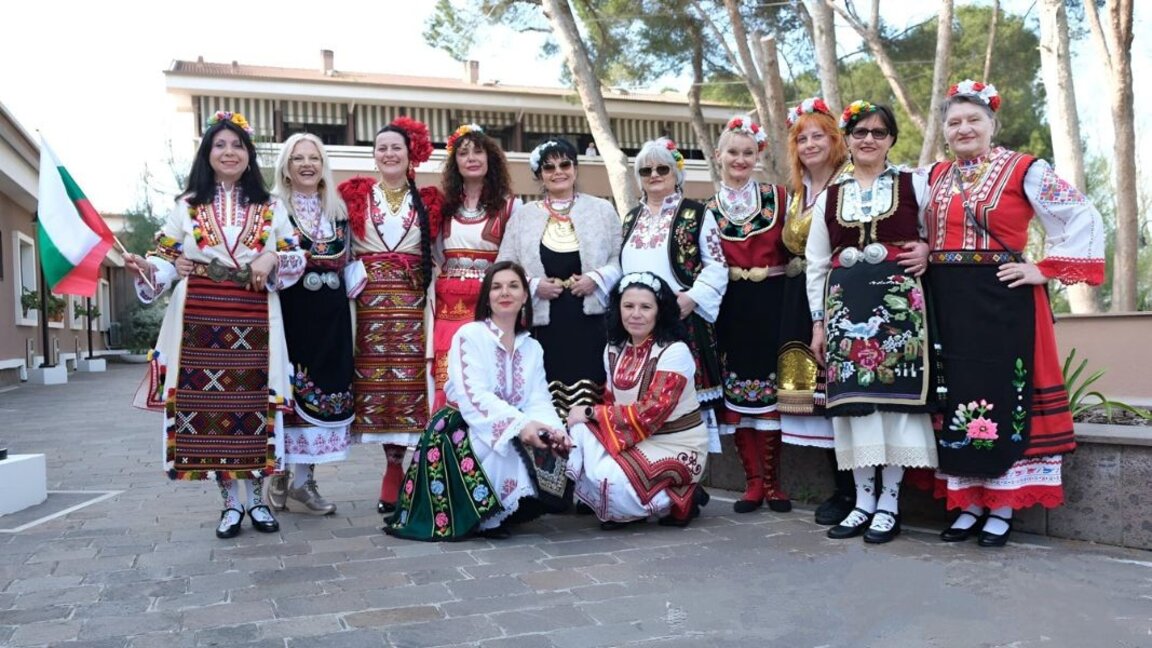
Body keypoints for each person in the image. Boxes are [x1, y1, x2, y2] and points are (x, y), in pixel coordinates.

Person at [925, 80, 1105, 547]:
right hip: (948, 301)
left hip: (1003, 298)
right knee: (956, 393)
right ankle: (968, 502)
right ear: (944, 130)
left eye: (973, 120)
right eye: (954, 121)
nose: (964, 128)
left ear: (992, 124)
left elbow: (1081, 214)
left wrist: (1042, 269)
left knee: (1004, 392)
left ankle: (1002, 506)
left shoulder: (1024, 168)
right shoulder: (933, 177)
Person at [125, 111, 306, 539]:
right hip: (200, 317)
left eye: (237, 145)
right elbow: (166, 259)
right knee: (210, 413)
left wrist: (272, 257)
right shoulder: (186, 206)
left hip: (256, 313)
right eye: (220, 145)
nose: (229, 152)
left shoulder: (271, 207)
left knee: (254, 406)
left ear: (248, 155)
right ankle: (229, 504)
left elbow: (297, 256)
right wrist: (146, 269)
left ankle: (258, 500)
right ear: (207, 154)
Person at [806, 101, 938, 544]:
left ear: (892, 139)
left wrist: (928, 251)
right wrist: (819, 323)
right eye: (860, 131)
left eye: (879, 133)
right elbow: (815, 264)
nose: (869, 139)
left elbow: (937, 235)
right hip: (845, 314)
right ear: (847, 137)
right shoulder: (829, 196)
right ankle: (863, 501)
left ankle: (889, 504)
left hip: (899, 312)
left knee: (894, 403)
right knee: (855, 407)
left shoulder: (914, 184)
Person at [386, 262, 574, 540]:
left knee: (555, 450)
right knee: (504, 447)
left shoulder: (532, 347)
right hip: (459, 427)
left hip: (510, 421)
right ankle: (485, 516)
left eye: (513, 286)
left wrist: (553, 430)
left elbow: (538, 398)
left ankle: (511, 507)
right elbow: (473, 395)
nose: (504, 293)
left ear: (525, 295)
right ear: (487, 296)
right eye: (496, 287)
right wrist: (521, 426)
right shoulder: (469, 335)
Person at [338, 117, 442, 516]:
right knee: (377, 385)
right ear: (374, 155)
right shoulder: (356, 195)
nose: (388, 153)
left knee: (414, 382)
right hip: (368, 302)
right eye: (381, 147)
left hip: (413, 301)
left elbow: (439, 250)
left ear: (410, 152)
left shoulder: (429, 199)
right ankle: (392, 466)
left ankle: (409, 468)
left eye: (395, 147)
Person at [263, 133, 362, 515]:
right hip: (293, 312)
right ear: (286, 168)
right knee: (291, 392)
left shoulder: (337, 210)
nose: (307, 164)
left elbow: (350, 257)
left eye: (314, 158)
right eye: (298, 158)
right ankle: (282, 476)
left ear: (323, 166)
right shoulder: (275, 209)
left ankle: (304, 481)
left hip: (333, 314)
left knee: (325, 393)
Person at [565, 272, 711, 529]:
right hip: (631, 436)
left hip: (673, 442)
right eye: (628, 306)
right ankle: (625, 502)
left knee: (609, 478)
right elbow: (610, 401)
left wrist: (591, 413)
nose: (635, 314)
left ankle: (679, 495)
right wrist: (590, 418)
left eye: (645, 307)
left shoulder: (674, 351)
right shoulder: (614, 348)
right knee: (576, 433)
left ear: (660, 311)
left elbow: (652, 411)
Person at [496, 138, 622, 417]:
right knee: (545, 395)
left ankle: (588, 455)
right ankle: (553, 454)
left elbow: (619, 258)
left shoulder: (602, 210)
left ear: (575, 169)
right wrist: (532, 285)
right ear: (539, 175)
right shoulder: (523, 216)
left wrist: (596, 279)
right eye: (549, 167)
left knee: (591, 394)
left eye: (565, 164)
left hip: (592, 321)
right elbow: (504, 265)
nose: (558, 172)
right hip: (542, 323)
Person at [705, 117, 793, 514]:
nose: (740, 159)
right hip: (730, 307)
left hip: (773, 302)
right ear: (717, 156)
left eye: (747, 152)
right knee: (739, 396)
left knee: (771, 394)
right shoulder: (706, 210)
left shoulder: (780, 198)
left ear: (758, 156)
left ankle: (774, 483)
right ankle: (752, 483)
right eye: (732, 152)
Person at [622, 137, 727, 453]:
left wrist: (692, 297)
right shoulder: (630, 218)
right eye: (645, 170)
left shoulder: (695, 213)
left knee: (683, 399)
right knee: (645, 398)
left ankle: (691, 474)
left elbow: (717, 265)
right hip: (639, 324)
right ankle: (651, 468)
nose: (654, 175)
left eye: (662, 168)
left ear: (676, 173)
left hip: (681, 319)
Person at [780, 98, 856, 524]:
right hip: (799, 297)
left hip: (842, 293)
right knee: (816, 398)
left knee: (844, 392)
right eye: (801, 138)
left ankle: (855, 491)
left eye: (818, 135)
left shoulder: (849, 182)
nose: (810, 144)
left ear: (835, 139)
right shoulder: (796, 192)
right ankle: (840, 487)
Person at [432, 124, 518, 409]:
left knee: (484, 375)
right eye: (464, 153)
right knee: (447, 375)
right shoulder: (443, 206)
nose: (471, 158)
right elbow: (435, 253)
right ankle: (445, 448)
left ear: (489, 158)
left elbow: (514, 256)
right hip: (448, 304)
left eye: (478, 151)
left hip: (489, 302)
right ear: (454, 162)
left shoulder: (509, 206)